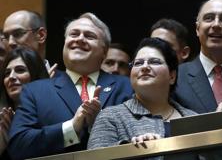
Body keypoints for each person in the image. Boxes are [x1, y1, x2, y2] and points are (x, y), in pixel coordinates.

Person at [8, 12, 133, 159]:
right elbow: (18, 147)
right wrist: (71, 128)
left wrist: (98, 126)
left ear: (104, 51)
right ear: (65, 43)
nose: (80, 39)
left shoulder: (128, 86)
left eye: (89, 36)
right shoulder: (35, 90)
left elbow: (140, 135)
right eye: (74, 34)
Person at [88, 37, 196, 149]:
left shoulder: (193, 118)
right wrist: (131, 150)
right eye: (138, 63)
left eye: (154, 62)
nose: (144, 67)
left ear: (172, 76)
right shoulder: (110, 117)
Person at [0, 47, 49, 158]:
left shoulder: (52, 115)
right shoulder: (3, 122)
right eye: (7, 73)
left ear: (36, 75)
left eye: (20, 70)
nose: (11, 77)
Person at [2, 10, 57, 75]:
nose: (10, 42)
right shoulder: (3, 82)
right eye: (6, 36)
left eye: (18, 34)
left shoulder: (65, 82)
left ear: (41, 35)